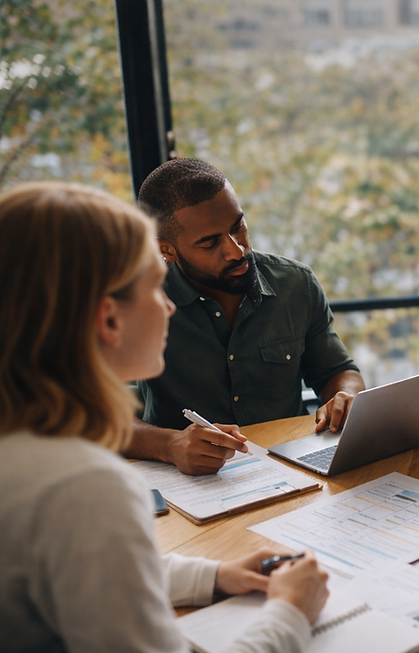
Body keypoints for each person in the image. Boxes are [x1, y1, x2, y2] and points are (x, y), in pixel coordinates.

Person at [0, 182, 330, 652]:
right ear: (108, 320)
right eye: (155, 286)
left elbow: (90, 564)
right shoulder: (84, 488)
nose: (170, 305)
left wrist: (213, 575)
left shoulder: (25, 443)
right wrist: (291, 613)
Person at [124, 158, 365, 475]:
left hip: (289, 468)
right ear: (166, 250)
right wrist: (169, 445)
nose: (236, 250)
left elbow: (337, 371)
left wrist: (345, 397)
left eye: (238, 226)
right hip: (188, 482)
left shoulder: (296, 284)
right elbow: (98, 415)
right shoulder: (137, 301)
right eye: (210, 242)